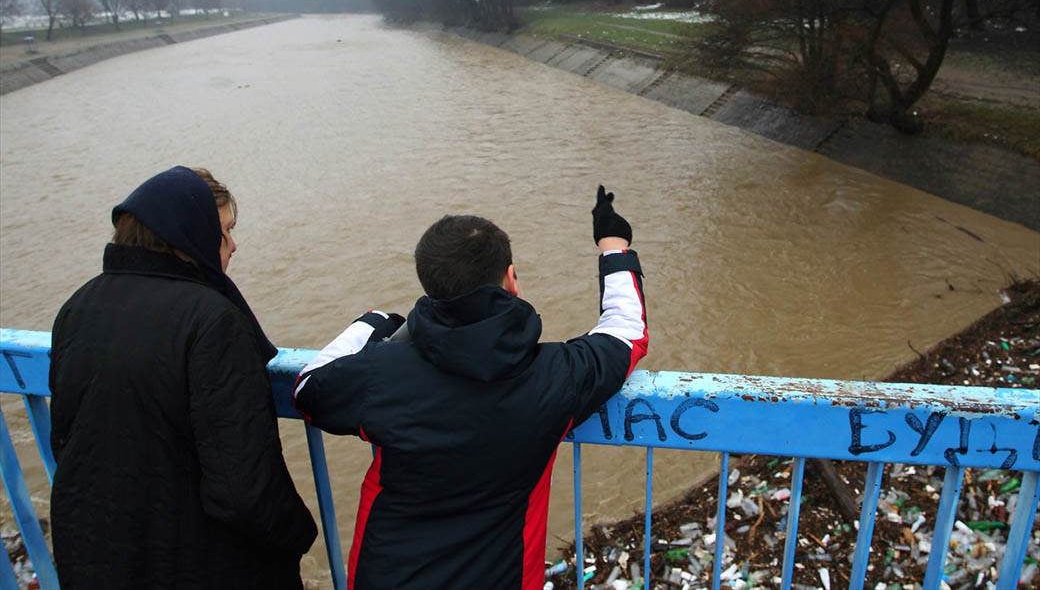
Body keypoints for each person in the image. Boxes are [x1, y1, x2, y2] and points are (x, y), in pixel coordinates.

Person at [294, 185, 647, 590]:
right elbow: (626, 330)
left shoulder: (381, 374)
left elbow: (308, 389)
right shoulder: (554, 376)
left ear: (431, 288)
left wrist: (372, 323)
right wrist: (613, 244)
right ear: (512, 280)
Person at [49, 166, 317, 589]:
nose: (232, 245)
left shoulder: (79, 307)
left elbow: (66, 439)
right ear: (189, 236)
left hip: (95, 556)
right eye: (224, 231)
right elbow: (243, 488)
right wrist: (299, 534)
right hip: (196, 564)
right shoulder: (211, 322)